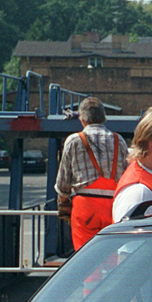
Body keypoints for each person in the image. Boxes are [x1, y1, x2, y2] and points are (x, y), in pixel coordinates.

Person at [56, 97, 129, 250]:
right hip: (113, 205)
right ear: (103, 118)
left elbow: (63, 183)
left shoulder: (74, 140)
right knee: (111, 254)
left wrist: (63, 203)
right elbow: (127, 176)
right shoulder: (119, 140)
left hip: (85, 206)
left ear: (82, 119)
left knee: (85, 256)